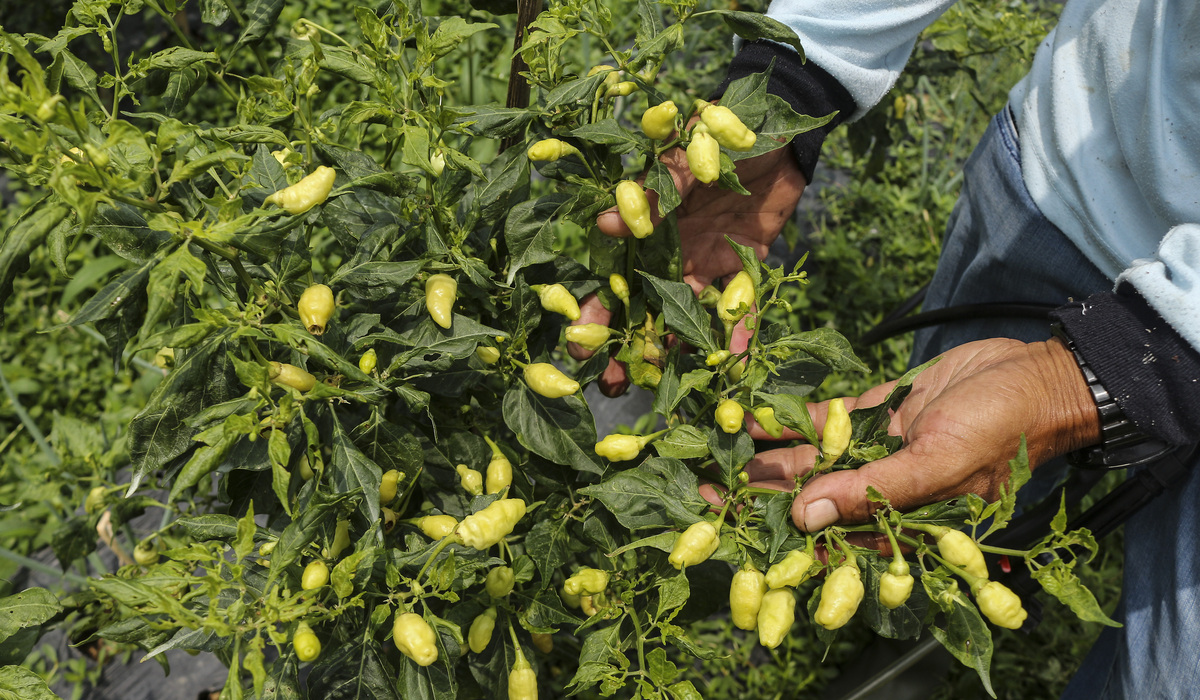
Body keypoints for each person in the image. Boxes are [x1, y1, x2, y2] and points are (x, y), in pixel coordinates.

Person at [569, 1, 1200, 696]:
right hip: (1072, 171)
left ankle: (922, 627)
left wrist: (1143, 364)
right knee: (939, 476)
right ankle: (913, 644)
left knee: (1167, 676)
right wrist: (799, 78)